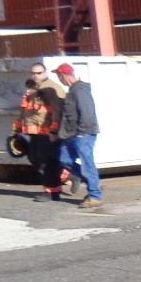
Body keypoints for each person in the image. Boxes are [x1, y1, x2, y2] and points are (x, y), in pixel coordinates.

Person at [12, 63, 66, 201]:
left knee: (47, 161)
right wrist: (17, 127)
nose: (36, 76)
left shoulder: (51, 88)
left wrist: (54, 130)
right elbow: (24, 110)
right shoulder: (32, 89)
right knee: (34, 158)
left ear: (45, 72)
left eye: (39, 73)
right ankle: (64, 175)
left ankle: (52, 191)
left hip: (47, 132)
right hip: (34, 131)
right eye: (34, 73)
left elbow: (57, 111)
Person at [53, 62, 103, 209]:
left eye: (59, 75)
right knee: (64, 159)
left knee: (87, 163)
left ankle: (95, 196)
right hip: (70, 134)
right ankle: (93, 183)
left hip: (82, 134)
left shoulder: (79, 90)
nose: (59, 78)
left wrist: (82, 132)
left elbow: (86, 112)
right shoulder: (72, 90)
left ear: (63, 75)